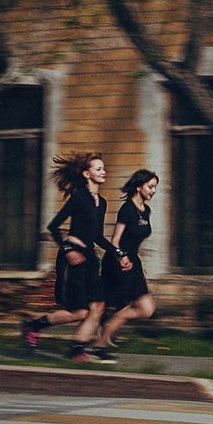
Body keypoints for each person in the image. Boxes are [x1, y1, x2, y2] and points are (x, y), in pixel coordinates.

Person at [19, 151, 115, 360]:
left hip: (89, 258)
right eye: (98, 169)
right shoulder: (79, 197)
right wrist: (67, 250)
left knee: (98, 306)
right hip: (72, 258)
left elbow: (97, 236)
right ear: (87, 174)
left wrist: (119, 253)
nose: (103, 172)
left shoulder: (102, 202)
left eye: (103, 168)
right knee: (80, 312)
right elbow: (53, 226)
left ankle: (77, 349)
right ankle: (33, 326)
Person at [91, 168, 159, 359]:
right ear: (139, 187)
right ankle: (100, 346)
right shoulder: (127, 209)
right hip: (118, 262)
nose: (153, 191)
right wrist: (122, 257)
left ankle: (106, 328)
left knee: (146, 309)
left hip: (133, 262)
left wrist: (139, 263)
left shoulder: (146, 211)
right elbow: (115, 241)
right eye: (150, 187)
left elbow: (135, 242)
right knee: (123, 306)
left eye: (155, 187)